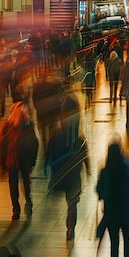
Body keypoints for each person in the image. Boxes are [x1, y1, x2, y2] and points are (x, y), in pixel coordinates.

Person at [45, 92, 91, 240]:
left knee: (71, 202)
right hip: (74, 178)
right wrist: (88, 169)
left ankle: (70, 228)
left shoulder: (55, 135)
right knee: (72, 203)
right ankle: (70, 229)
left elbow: (48, 154)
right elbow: (86, 157)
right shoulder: (79, 139)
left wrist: (47, 166)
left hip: (62, 176)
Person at [96, 138, 129, 257]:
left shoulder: (105, 171)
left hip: (111, 215)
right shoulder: (125, 168)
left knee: (114, 244)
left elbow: (98, 190)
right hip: (126, 213)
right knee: (126, 242)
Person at [0, 101, 39, 220]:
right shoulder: (8, 126)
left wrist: (32, 160)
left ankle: (28, 202)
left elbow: (34, 144)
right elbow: (2, 145)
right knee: (14, 185)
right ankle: (16, 208)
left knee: (25, 183)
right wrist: (1, 162)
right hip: (12, 160)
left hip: (24, 159)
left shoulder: (28, 124)